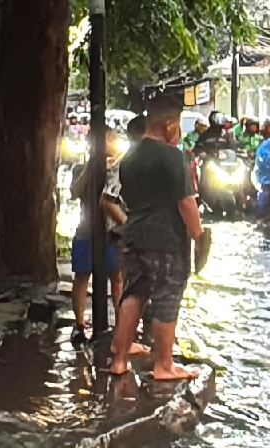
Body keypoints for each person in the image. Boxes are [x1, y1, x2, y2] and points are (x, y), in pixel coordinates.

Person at [109, 92, 204, 380]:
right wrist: (199, 236)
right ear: (169, 125)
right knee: (166, 298)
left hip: (134, 235)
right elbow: (186, 202)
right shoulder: (172, 156)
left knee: (133, 294)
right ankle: (164, 365)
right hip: (165, 240)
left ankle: (119, 360)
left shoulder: (130, 157)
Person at [68, 130, 134, 345]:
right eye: (107, 140)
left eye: (113, 139)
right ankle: (79, 324)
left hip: (112, 232)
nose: (111, 143)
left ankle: (120, 326)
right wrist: (92, 166)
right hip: (87, 229)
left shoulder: (121, 168)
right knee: (82, 276)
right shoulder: (82, 168)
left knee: (117, 278)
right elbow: (75, 192)